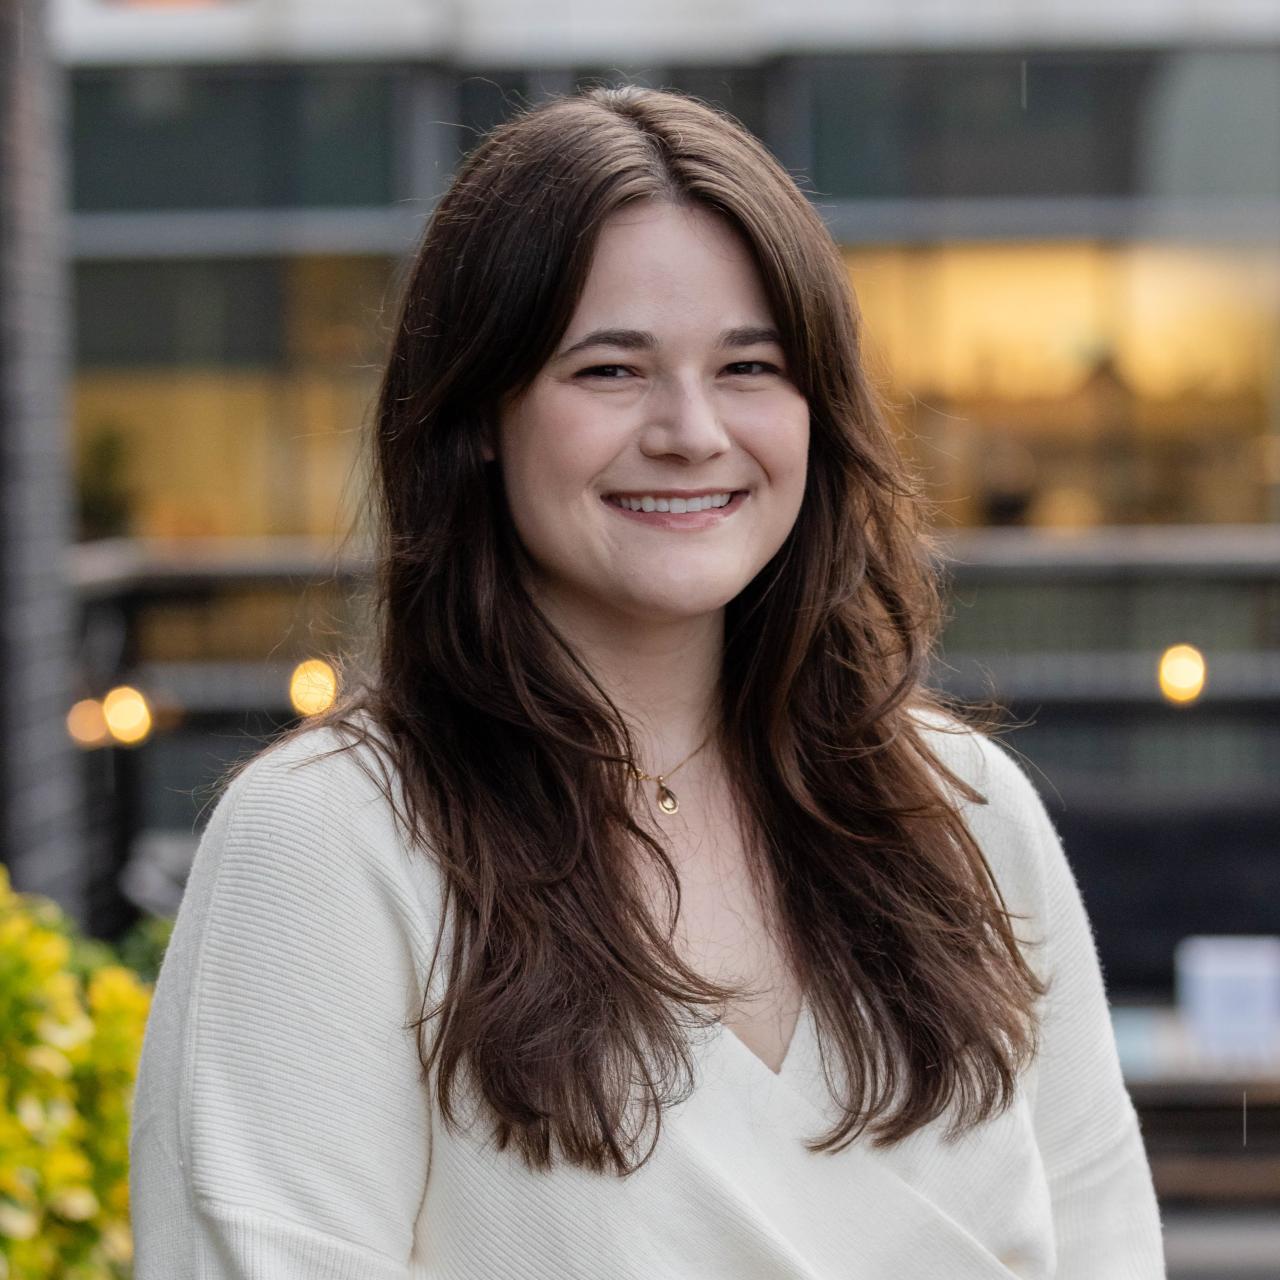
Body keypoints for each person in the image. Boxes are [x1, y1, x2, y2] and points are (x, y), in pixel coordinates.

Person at [128, 85, 1166, 1278]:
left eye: (748, 366)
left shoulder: (965, 812)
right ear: (475, 416)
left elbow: (1105, 1244)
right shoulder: (329, 843)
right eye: (610, 370)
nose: (688, 429)